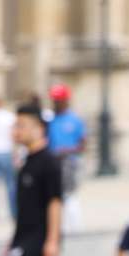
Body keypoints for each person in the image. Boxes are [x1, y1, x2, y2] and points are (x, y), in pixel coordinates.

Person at [4, 104, 61, 256]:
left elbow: (55, 202)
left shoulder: (49, 162)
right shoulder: (26, 160)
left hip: (40, 239)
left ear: (38, 128)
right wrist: (14, 239)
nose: (16, 131)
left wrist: (52, 241)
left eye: (22, 126)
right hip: (25, 237)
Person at [46, 83, 87, 232]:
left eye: (58, 100)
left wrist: (67, 150)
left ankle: (75, 224)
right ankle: (59, 224)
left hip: (69, 160)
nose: (56, 103)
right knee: (54, 193)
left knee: (70, 193)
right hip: (52, 160)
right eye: (54, 100)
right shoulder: (49, 120)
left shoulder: (74, 120)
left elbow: (82, 145)